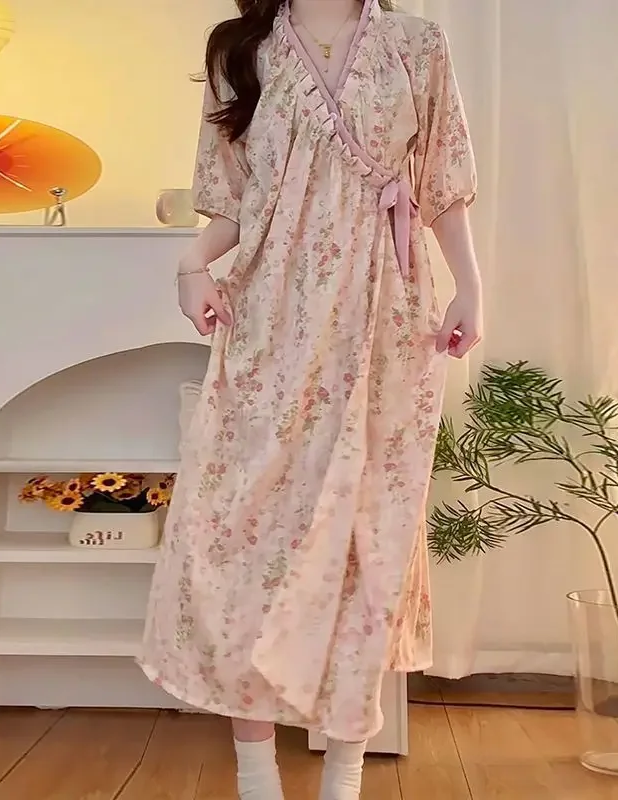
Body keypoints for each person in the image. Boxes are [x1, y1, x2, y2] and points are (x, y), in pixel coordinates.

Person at [139, 0, 481, 797]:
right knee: (243, 536)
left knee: (369, 532)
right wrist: (191, 266)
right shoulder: (241, 48)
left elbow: (443, 182)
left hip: (383, 314)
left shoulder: (415, 44)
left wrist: (471, 286)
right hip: (272, 316)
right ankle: (257, 777)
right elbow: (232, 199)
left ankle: (343, 776)